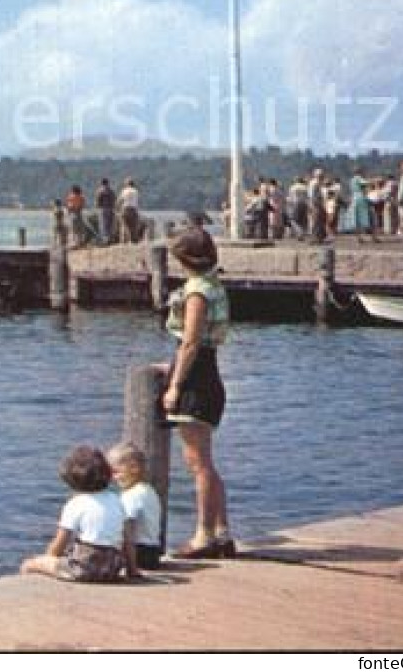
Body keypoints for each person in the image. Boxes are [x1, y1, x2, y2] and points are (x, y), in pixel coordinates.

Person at [161, 227, 235, 559]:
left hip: (197, 377)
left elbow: (190, 342)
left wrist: (175, 385)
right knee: (205, 461)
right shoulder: (215, 285)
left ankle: (203, 536)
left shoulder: (197, 292)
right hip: (210, 371)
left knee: (197, 463)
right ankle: (221, 532)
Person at [19, 445, 135, 582]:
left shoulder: (76, 503)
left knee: (29, 564)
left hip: (83, 568)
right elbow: (127, 539)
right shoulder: (116, 500)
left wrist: (48, 559)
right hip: (112, 567)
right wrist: (133, 569)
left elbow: (61, 541)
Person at [106, 442, 164, 571]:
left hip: (138, 552)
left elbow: (128, 532)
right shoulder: (149, 490)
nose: (112, 478)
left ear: (134, 468)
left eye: (116, 472)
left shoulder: (132, 496)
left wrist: (130, 565)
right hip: (153, 552)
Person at [348, 169, 373, 237]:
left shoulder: (352, 180)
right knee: (365, 217)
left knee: (355, 218)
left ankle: (358, 236)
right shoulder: (359, 178)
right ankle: (371, 235)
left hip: (354, 198)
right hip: (361, 198)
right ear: (360, 172)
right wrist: (373, 180)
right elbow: (366, 183)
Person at [118, 178, 142, 243]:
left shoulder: (124, 191)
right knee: (134, 226)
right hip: (133, 209)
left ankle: (123, 241)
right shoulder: (136, 191)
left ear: (126, 184)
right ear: (133, 184)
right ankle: (133, 240)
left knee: (124, 225)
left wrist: (117, 208)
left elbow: (120, 200)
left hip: (125, 209)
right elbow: (138, 201)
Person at [95, 178, 117, 245]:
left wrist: (97, 207)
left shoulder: (100, 190)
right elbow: (115, 199)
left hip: (103, 209)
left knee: (103, 225)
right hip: (111, 209)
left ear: (102, 183)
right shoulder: (111, 191)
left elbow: (98, 200)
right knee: (110, 225)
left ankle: (105, 240)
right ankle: (110, 239)